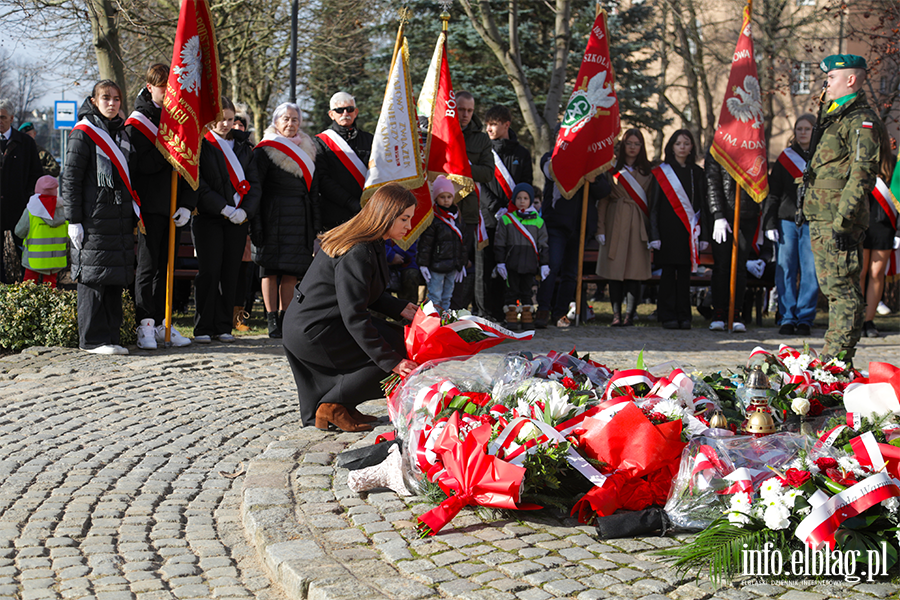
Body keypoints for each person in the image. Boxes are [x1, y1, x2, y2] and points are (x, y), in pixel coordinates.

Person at [282, 183, 419, 432]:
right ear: (386, 215)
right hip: (315, 331)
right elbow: (355, 316)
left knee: (402, 343)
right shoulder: (358, 250)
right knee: (399, 353)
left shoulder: (371, 241)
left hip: (325, 322)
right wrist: (393, 362)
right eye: (404, 218)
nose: (408, 226)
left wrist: (401, 308)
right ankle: (332, 406)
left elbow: (363, 292)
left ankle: (343, 403)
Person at [802, 54, 886, 362]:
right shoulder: (835, 116)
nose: (827, 83)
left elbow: (862, 174)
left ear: (851, 80)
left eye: (833, 78)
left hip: (839, 218)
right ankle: (831, 357)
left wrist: (844, 220)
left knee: (843, 291)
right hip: (822, 215)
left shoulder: (860, 120)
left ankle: (836, 362)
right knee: (831, 288)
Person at [62, 80, 135, 355]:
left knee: (114, 278)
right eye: (106, 98)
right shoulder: (84, 133)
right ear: (94, 101)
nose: (112, 103)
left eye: (116, 99)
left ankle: (111, 337)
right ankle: (92, 340)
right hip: (93, 217)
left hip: (118, 217)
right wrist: (73, 220)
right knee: (94, 279)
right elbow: (70, 179)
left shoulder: (122, 133)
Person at [127, 63, 193, 350]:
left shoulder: (180, 118)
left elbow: (192, 163)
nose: (167, 93)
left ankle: (163, 319)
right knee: (147, 266)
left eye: (172, 88)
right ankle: (145, 323)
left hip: (175, 205)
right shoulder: (138, 122)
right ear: (150, 86)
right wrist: (168, 147)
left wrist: (188, 204)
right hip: (149, 204)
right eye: (162, 87)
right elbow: (141, 165)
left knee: (168, 266)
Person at [194, 96, 261, 343]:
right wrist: (223, 207)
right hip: (210, 217)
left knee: (230, 273)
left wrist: (246, 211)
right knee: (209, 272)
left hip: (238, 219)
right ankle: (203, 326)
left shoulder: (244, 147)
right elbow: (199, 183)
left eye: (230, 120)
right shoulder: (202, 144)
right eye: (221, 119)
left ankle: (224, 326)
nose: (225, 124)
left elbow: (255, 184)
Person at [251, 102, 320, 338]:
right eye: (286, 119)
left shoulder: (309, 150)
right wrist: (256, 223)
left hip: (299, 217)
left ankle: (285, 317)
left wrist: (315, 225)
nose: (290, 124)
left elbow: (313, 192)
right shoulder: (264, 150)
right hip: (272, 215)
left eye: (295, 119)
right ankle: (271, 318)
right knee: (269, 270)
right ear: (276, 122)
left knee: (292, 271)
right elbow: (256, 188)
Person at [535, 151, 606, 328]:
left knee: (571, 273)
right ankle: (543, 310)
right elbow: (551, 172)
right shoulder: (551, 156)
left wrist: (593, 179)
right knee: (552, 267)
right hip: (557, 223)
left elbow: (605, 190)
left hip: (581, 227)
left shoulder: (592, 160)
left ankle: (560, 313)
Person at [763, 114, 818, 336]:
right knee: (785, 270)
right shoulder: (785, 158)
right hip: (786, 221)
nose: (802, 132)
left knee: (810, 271)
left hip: (813, 221)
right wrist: (769, 222)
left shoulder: (822, 157)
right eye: (799, 128)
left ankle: (805, 318)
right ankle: (786, 317)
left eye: (807, 128)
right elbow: (773, 193)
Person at [648, 129, 710, 330]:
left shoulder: (697, 173)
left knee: (685, 275)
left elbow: (703, 205)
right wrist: (654, 235)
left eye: (686, 143)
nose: (682, 147)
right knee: (667, 274)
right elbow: (654, 207)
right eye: (678, 143)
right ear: (671, 146)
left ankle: (685, 315)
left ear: (692, 146)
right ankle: (666, 315)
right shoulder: (661, 172)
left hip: (689, 232)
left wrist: (704, 234)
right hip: (667, 232)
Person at [480, 105, 533, 321]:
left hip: (513, 221)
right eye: (487, 124)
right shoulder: (484, 149)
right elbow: (479, 183)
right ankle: (486, 313)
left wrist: (513, 209)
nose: (489, 128)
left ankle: (506, 314)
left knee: (508, 269)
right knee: (486, 268)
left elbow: (526, 185)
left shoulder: (521, 153)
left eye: (494, 124)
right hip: (488, 219)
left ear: (506, 125)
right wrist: (495, 208)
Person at [595, 129, 653, 326]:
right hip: (615, 222)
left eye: (637, 144)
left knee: (633, 272)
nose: (633, 148)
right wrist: (600, 229)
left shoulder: (648, 171)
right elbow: (603, 201)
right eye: (629, 143)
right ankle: (616, 315)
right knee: (615, 271)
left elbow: (652, 203)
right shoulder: (611, 169)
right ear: (623, 145)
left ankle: (630, 315)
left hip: (638, 223)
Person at [706, 148, 760, 333]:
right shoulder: (718, 147)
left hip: (747, 216)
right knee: (722, 266)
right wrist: (718, 214)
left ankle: (736, 314)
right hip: (724, 215)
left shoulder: (753, 144)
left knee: (739, 267)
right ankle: (719, 313)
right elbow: (712, 182)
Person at [450, 90, 493, 312]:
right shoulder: (440, 132)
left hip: (467, 212)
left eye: (470, 110)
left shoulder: (481, 137)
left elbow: (487, 173)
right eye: (461, 109)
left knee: (465, 266)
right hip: (439, 212)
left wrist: (462, 167)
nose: (465, 114)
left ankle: (459, 315)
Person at [314, 92, 373, 230]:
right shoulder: (320, 142)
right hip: (335, 215)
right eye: (339, 110)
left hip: (367, 212)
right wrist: (350, 202)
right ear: (331, 114)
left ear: (356, 112)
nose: (345, 113)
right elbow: (322, 180)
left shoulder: (369, 140)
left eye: (350, 109)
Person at [495, 183, 549, 330]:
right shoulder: (506, 219)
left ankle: (527, 319)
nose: (522, 201)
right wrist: (500, 262)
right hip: (511, 264)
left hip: (530, 265)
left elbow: (543, 244)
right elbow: (499, 243)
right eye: (519, 198)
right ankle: (511, 319)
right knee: (511, 292)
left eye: (525, 198)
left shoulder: (538, 221)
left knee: (527, 292)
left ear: (531, 200)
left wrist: (544, 264)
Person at [0, 98, 42, 283]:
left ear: (11, 117)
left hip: (20, 208)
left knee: (24, 253)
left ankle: (27, 291)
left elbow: (36, 174)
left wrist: (28, 196)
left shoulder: (25, 143)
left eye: (2, 117)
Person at [859, 136, 898, 338]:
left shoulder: (894, 164)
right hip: (863, 224)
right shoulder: (863, 161)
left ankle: (869, 320)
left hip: (885, 226)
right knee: (861, 271)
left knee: (877, 273)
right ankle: (857, 318)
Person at [417, 176, 467, 311]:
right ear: (436, 198)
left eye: (449, 196)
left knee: (447, 297)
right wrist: (423, 264)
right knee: (435, 297)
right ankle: (433, 322)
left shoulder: (458, 217)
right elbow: (426, 244)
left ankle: (445, 323)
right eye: (442, 197)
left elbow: (462, 243)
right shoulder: (433, 218)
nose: (446, 200)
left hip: (452, 266)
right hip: (436, 266)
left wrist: (461, 263)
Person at [14, 175, 66, 287]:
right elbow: (69, 235)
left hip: (33, 259)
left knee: (29, 285)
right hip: (55, 260)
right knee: (50, 287)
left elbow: (19, 232)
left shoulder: (31, 210)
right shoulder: (65, 211)